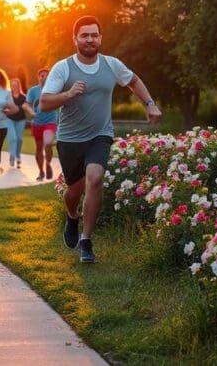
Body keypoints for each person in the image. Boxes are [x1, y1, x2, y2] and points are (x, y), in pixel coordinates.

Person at [41, 15, 161, 264]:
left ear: (100, 38)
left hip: (100, 135)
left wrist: (149, 104)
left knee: (95, 179)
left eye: (94, 35)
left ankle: (86, 240)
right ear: (75, 39)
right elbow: (45, 102)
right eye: (84, 35)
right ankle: (72, 216)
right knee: (73, 190)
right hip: (70, 139)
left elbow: (134, 81)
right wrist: (68, 93)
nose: (90, 39)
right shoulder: (63, 67)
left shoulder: (112, 64)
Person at [25, 68, 58, 181]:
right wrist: (31, 112)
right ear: (38, 77)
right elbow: (26, 105)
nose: (44, 77)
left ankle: (48, 164)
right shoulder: (33, 90)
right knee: (39, 148)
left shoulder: (54, 90)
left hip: (50, 121)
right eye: (42, 75)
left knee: (48, 143)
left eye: (46, 75)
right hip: (37, 123)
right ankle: (41, 172)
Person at [6, 78, 32, 170]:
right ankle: (12, 156)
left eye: (16, 85)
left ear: (18, 86)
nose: (14, 87)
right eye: (12, 85)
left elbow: (27, 108)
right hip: (9, 120)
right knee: (13, 138)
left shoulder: (23, 97)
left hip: (20, 120)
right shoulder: (8, 97)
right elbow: (4, 107)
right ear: (11, 86)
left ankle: (18, 156)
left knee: (19, 139)